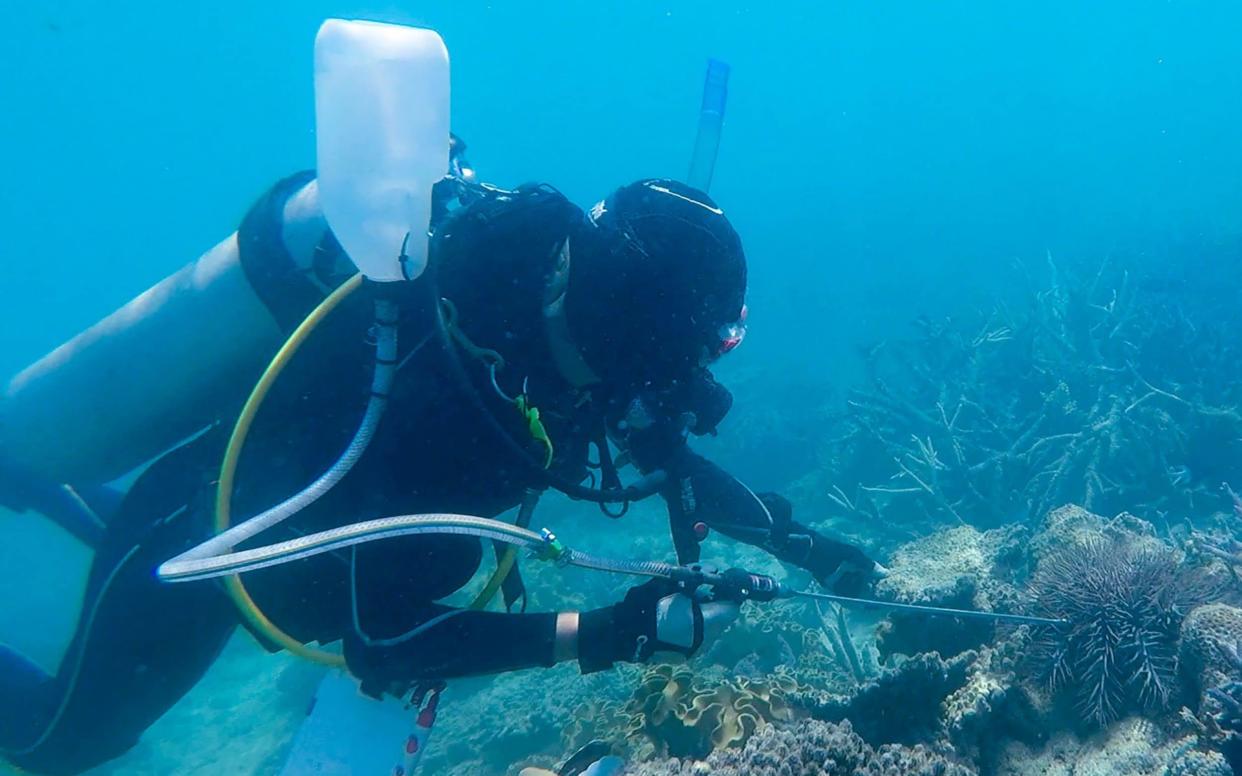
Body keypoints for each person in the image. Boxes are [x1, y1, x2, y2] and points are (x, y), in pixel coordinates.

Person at [0, 140, 880, 774]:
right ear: (646, 322)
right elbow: (386, 639)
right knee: (63, 743)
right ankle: (63, 488)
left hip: (307, 552)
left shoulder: (569, 345)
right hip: (206, 543)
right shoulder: (446, 389)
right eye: (694, 351)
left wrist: (800, 547)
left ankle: (55, 491)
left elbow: (673, 460)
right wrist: (617, 634)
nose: (688, 380)